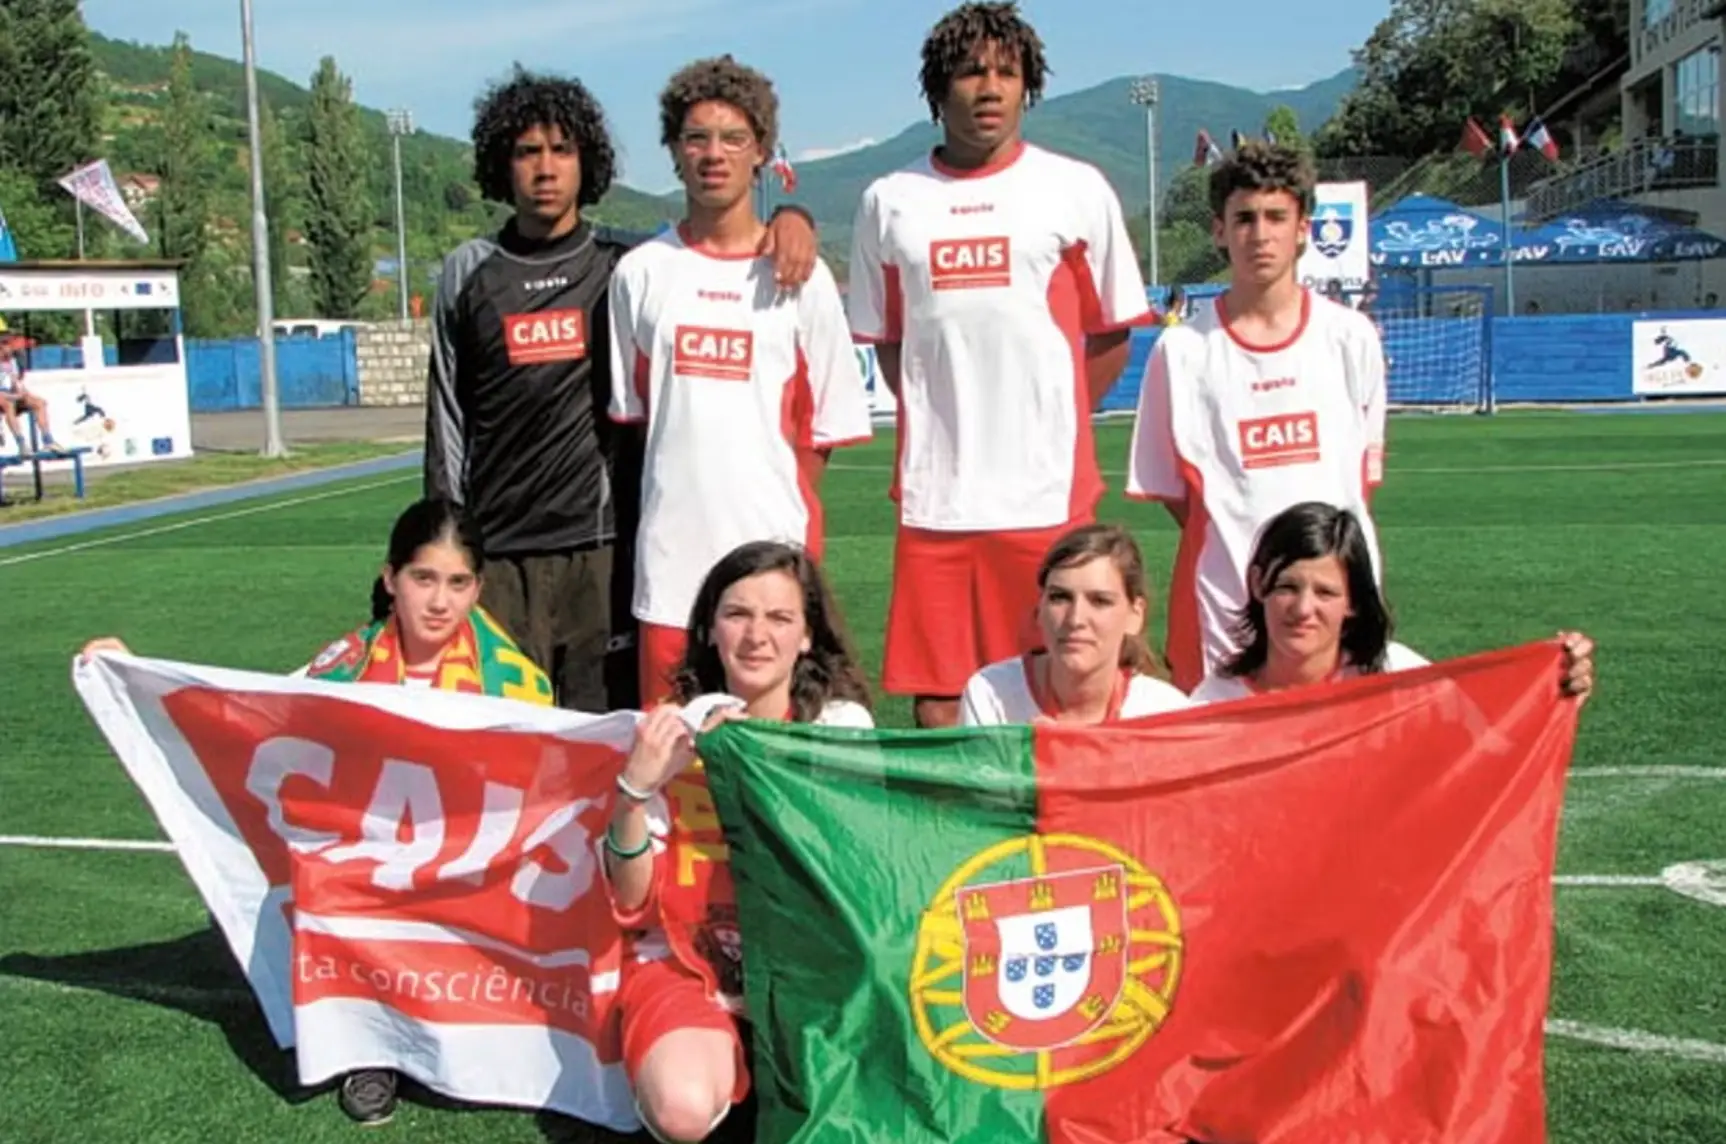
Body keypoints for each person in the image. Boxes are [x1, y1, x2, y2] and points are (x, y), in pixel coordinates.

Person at [81, 497, 554, 1125]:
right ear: (391, 580)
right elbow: (253, 715)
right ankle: (370, 1051)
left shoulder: (515, 683)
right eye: (423, 579)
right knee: (328, 879)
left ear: (478, 589)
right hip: (370, 869)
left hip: (463, 865)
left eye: (458, 583)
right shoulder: (347, 666)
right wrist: (131, 670)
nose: (439, 601)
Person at [424, 68, 819, 713]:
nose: (545, 169)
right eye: (527, 152)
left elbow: (710, 240)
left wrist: (792, 217)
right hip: (496, 556)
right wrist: (441, 543)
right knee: (499, 739)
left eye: (562, 150)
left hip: (602, 554)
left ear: (589, 162)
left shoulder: (624, 267)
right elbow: (445, 418)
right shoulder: (468, 274)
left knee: (602, 742)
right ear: (503, 163)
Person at [847, 1, 1154, 729]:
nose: (988, 88)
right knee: (940, 695)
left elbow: (1112, 334)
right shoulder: (888, 203)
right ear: (938, 88)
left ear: (1027, 87)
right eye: (969, 72)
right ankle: (963, 840)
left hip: (1046, 492)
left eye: (1006, 73)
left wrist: (1050, 418)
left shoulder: (1075, 189)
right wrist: (947, 414)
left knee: (1068, 674)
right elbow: (890, 342)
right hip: (940, 495)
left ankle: (1069, 832)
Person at [609, 56, 873, 707]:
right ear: (673, 151)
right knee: (674, 767)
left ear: (761, 152)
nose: (713, 154)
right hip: (671, 572)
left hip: (772, 570)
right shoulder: (640, 275)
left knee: (775, 767)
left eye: (733, 139)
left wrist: (772, 516)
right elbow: (636, 423)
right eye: (697, 137)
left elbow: (820, 439)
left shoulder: (802, 276)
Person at [600, 541, 872, 1142]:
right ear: (710, 628)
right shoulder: (667, 729)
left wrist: (758, 769)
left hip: (809, 964)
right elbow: (633, 901)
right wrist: (635, 792)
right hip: (688, 961)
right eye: (738, 614)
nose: (757, 636)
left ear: (806, 636)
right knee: (682, 1110)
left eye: (779, 618)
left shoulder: (839, 730)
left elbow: (859, 876)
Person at [1126, 140, 1389, 692]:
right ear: (1219, 230)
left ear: (1304, 229)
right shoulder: (1182, 352)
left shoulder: (1349, 338)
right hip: (1221, 615)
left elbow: (1357, 486)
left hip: (1336, 611)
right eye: (1243, 218)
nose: (1260, 235)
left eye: (1276, 217)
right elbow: (1179, 497)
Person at [1188, 501, 1594, 704]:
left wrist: (1555, 685)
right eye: (1287, 587)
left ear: (1353, 601)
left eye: (1326, 592)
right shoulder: (1215, 700)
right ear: (1258, 584)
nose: (1303, 609)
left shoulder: (1397, 677)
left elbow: (1491, 743)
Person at [960, 523, 1190, 725]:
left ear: (1135, 615)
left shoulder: (1164, 713)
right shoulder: (992, 692)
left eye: (1100, 601)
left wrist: (1060, 754)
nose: (1075, 619)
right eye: (1060, 597)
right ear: (1040, 609)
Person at [0, 321, 61, 454]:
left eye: (10, 343)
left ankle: (48, 440)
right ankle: (21, 444)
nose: (10, 347)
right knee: (8, 403)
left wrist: (22, 393)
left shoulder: (11, 361)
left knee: (39, 402)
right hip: (3, 397)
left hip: (10, 394)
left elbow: (15, 382)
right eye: (6, 344)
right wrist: (13, 396)